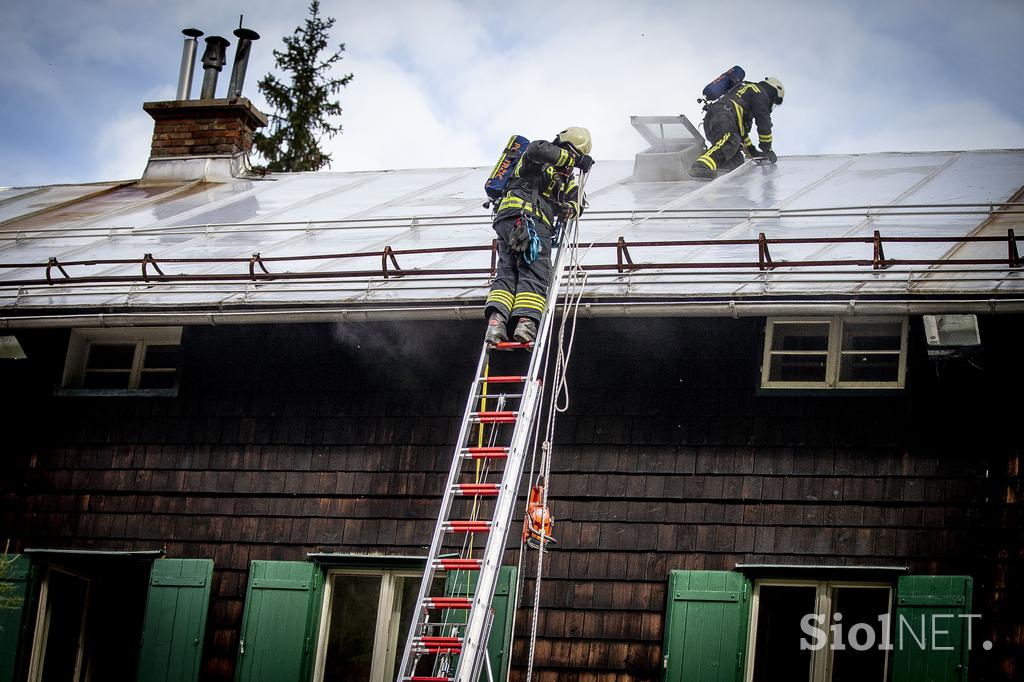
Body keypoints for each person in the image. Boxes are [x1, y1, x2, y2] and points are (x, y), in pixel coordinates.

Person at [484, 127, 594, 346]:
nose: (572, 161)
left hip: (508, 220)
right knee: (536, 271)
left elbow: (579, 200)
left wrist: (570, 208)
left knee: (508, 271)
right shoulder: (539, 159)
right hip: (530, 221)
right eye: (571, 154)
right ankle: (526, 324)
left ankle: (496, 324)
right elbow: (537, 148)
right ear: (564, 147)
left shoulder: (564, 178)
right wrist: (570, 159)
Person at [689, 77, 784, 179]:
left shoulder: (746, 94)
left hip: (717, 117)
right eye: (774, 102)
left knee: (736, 159)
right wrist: (767, 148)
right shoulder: (758, 91)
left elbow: (741, 134)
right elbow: (764, 123)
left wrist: (752, 151)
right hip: (724, 115)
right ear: (773, 91)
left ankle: (709, 169)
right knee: (729, 141)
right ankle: (700, 167)